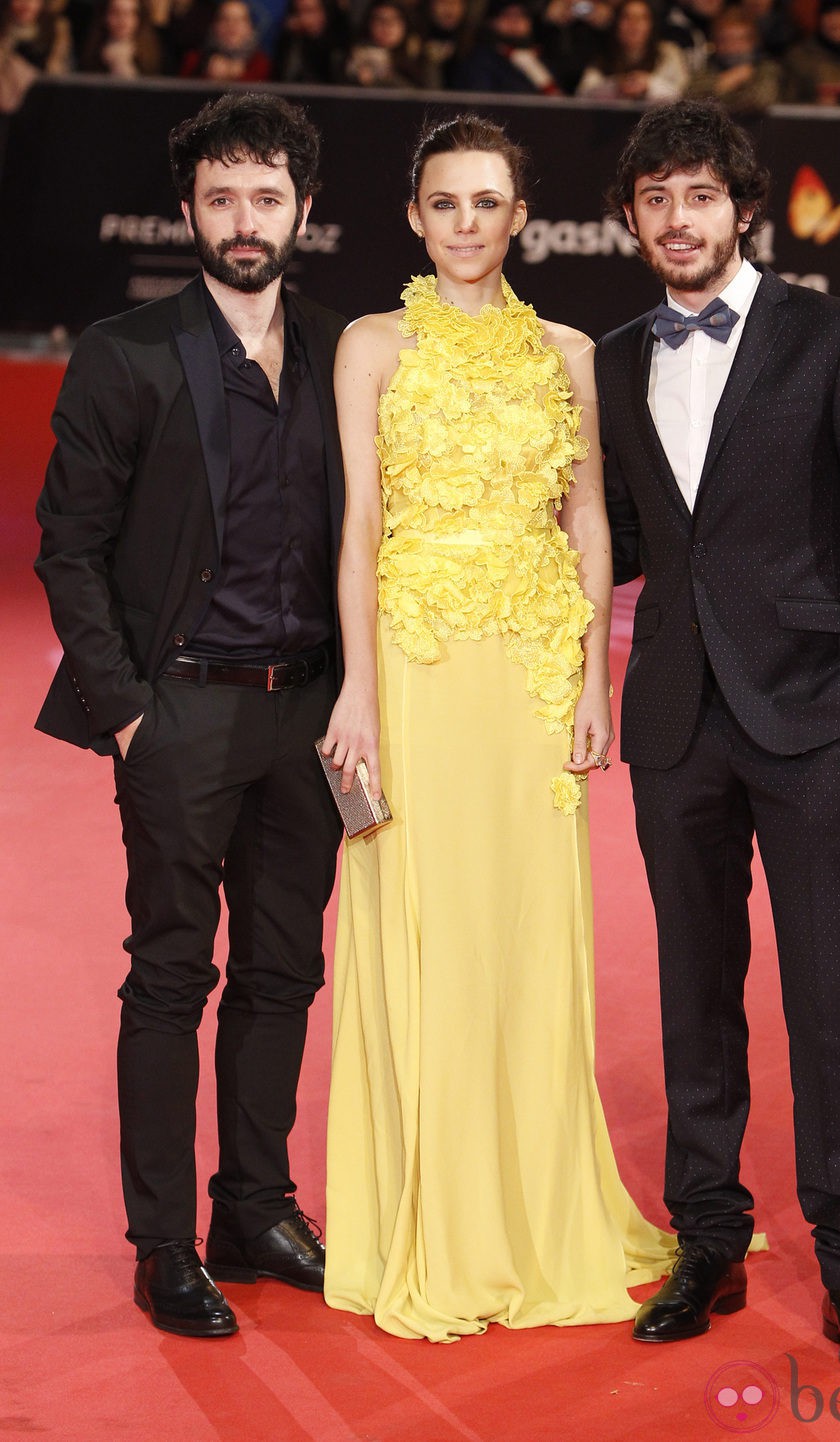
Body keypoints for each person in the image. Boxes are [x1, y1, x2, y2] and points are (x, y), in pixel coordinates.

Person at [320, 112, 675, 1342]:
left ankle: (534, 1212)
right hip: (415, 671)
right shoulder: (368, 345)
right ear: (413, 217)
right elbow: (358, 528)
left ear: (519, 217)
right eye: (444, 202)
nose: (466, 222)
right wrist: (356, 687)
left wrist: (590, 677)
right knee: (428, 932)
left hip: (529, 676)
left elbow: (588, 520)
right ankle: (432, 1218)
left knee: (526, 940)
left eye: (487, 202)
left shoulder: (570, 350)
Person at [595, 99, 840, 1374]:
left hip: (807, 720)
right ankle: (708, 1237)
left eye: (695, 195)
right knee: (694, 992)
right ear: (631, 220)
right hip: (674, 715)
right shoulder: (619, 355)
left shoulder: (836, 335)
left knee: (828, 997)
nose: (674, 220)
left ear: (740, 206)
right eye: (651, 200)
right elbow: (627, 534)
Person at [35, 91, 347, 1339]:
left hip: (309, 720)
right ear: (187, 211)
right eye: (219, 197)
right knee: (171, 974)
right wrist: (125, 711)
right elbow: (70, 545)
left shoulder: (346, 348)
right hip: (180, 713)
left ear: (302, 212)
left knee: (283, 972)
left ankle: (255, 1207)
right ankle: (164, 1241)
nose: (242, 219)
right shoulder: (127, 351)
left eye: (265, 196)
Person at [576, 0, 688, 102]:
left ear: (652, 25)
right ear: (616, 24)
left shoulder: (668, 53)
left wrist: (648, 85)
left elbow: (681, 96)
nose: (634, 24)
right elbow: (583, 97)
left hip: (659, 123)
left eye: (642, 18)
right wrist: (617, 86)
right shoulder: (603, 54)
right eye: (627, 17)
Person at [685, 5, 782, 110]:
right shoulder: (707, 67)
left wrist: (715, 89)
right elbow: (689, 96)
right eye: (725, 40)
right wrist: (726, 81)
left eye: (739, 39)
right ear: (715, 42)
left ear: (753, 42)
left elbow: (760, 100)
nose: (732, 46)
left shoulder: (766, 68)